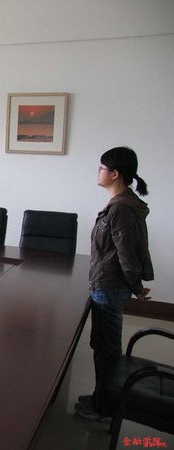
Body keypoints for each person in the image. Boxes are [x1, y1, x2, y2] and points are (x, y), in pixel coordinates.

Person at [74, 146, 154, 422]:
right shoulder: (123, 203)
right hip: (108, 284)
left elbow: (126, 255)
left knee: (106, 349)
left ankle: (104, 407)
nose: (98, 172)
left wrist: (136, 287)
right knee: (103, 346)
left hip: (109, 286)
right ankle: (102, 398)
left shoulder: (120, 209)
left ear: (115, 174)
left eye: (102, 168)